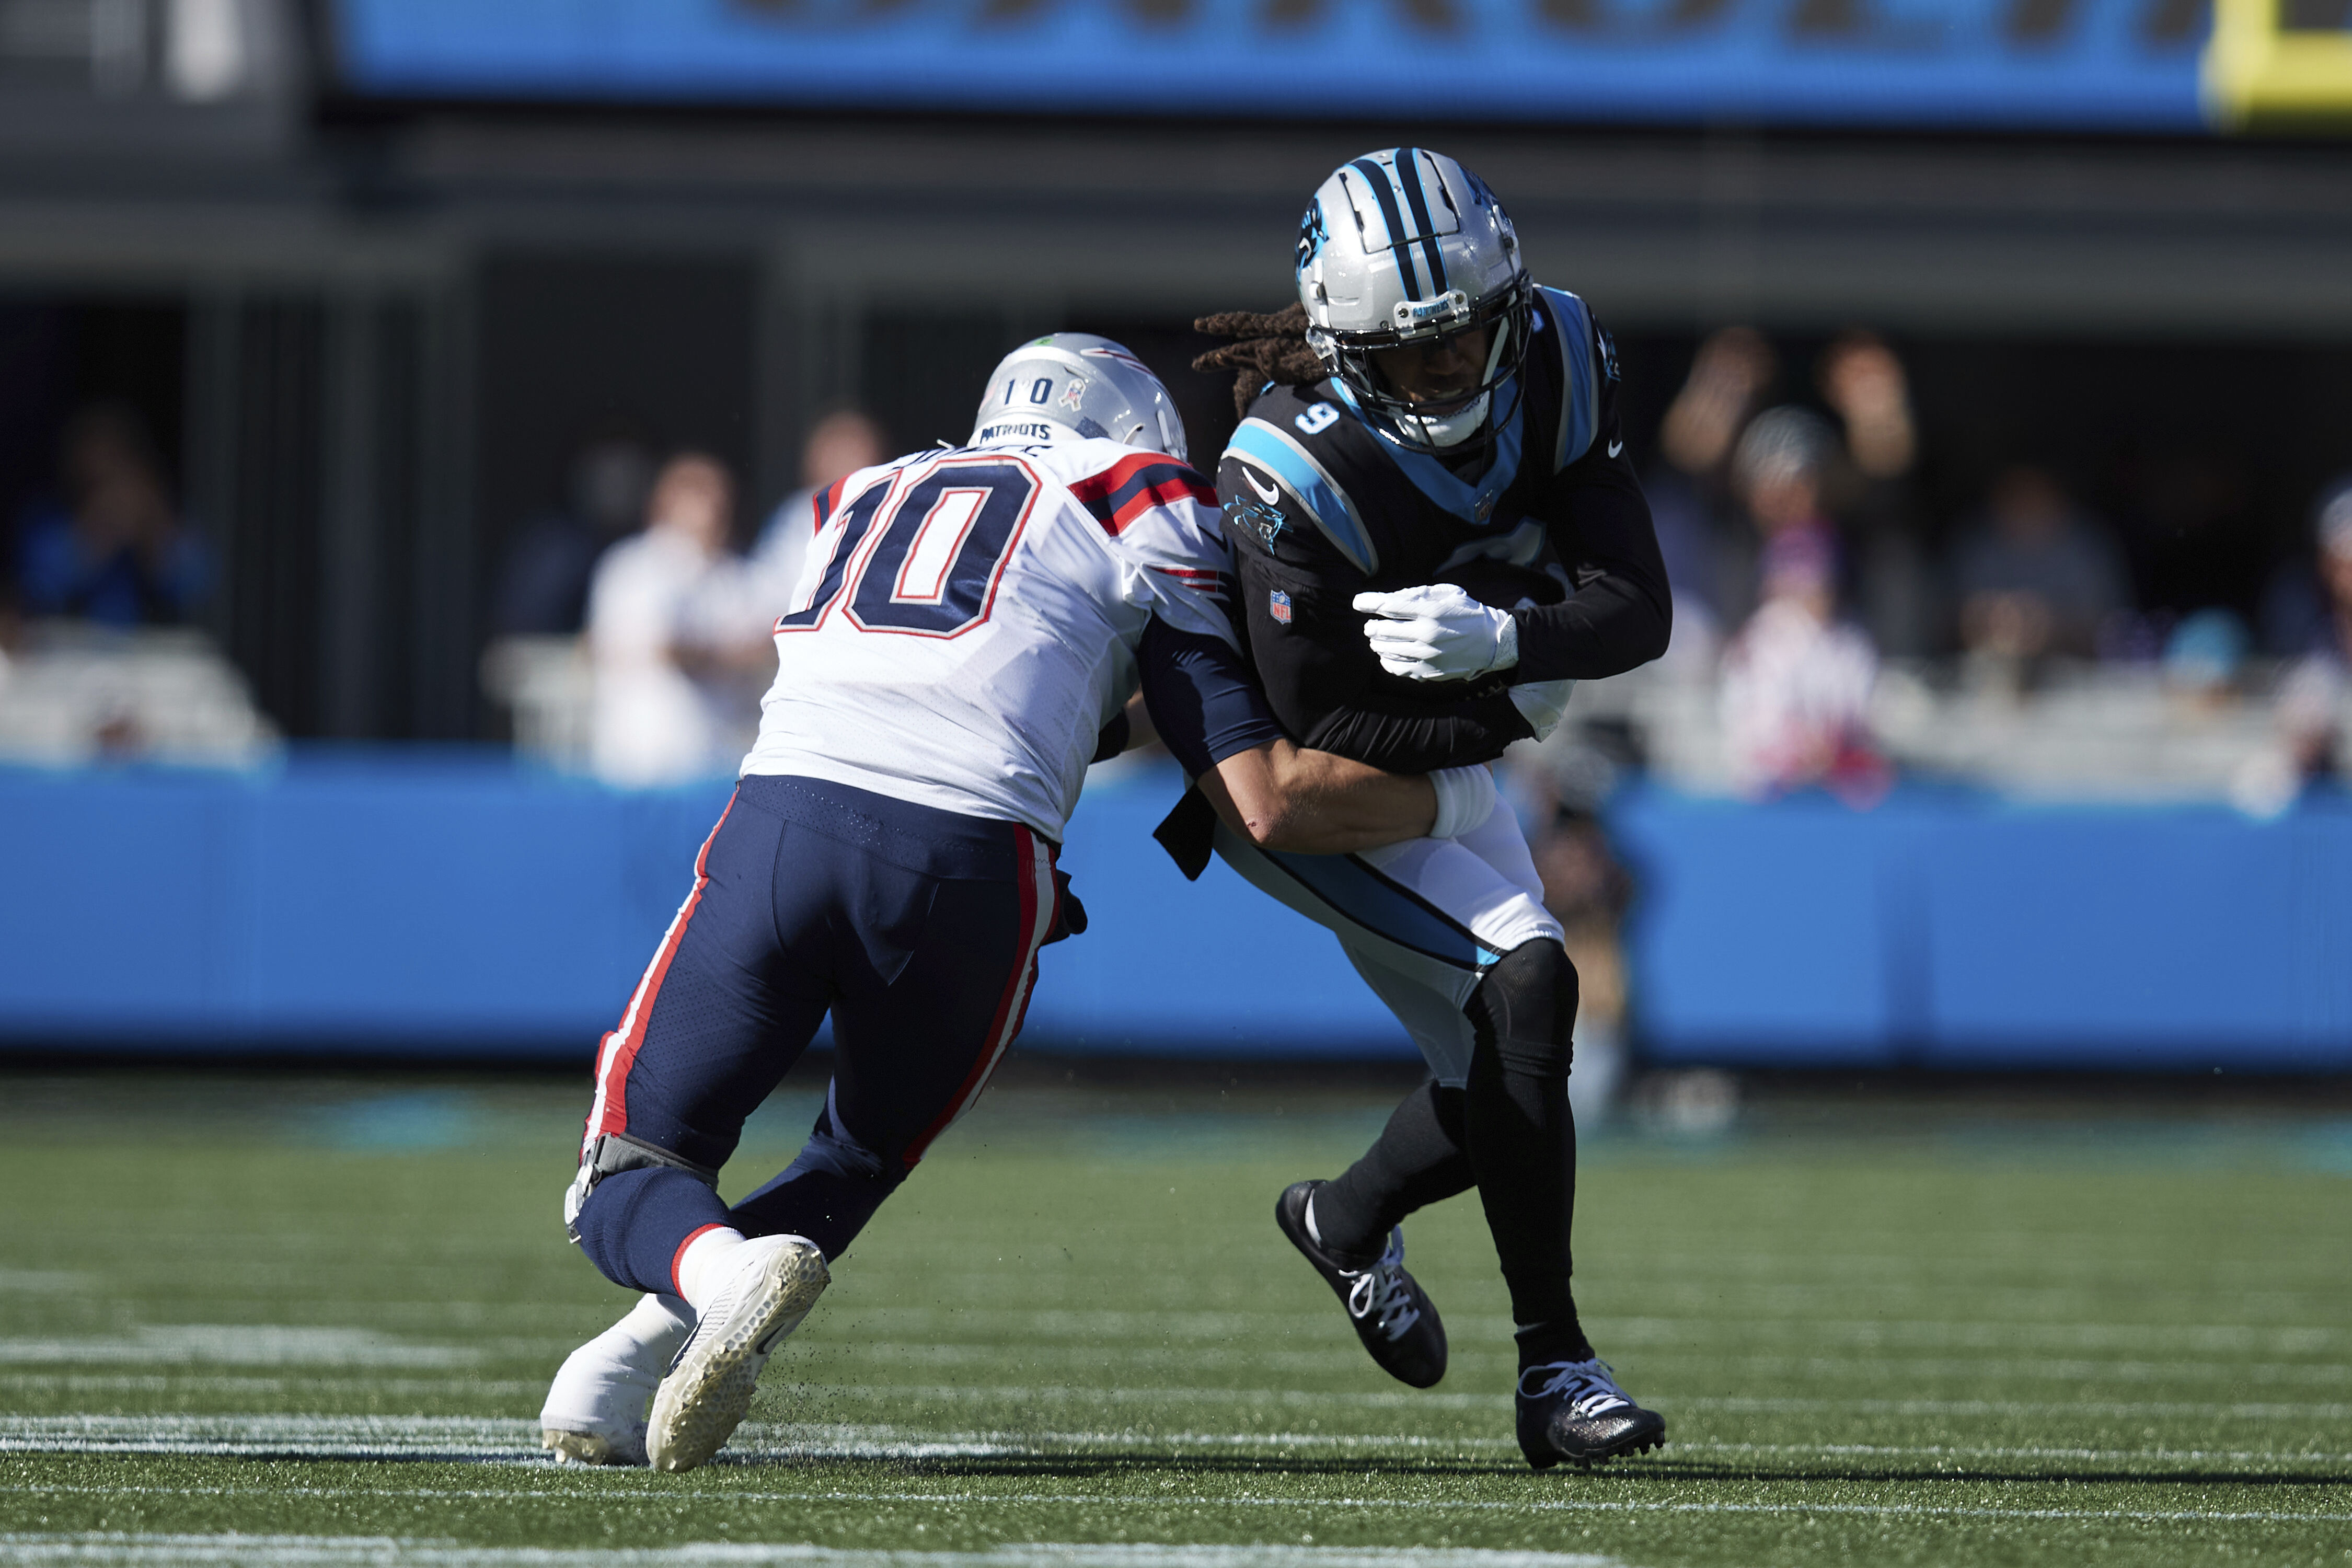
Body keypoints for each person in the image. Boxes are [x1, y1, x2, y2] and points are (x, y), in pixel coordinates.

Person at [539, 333, 1477, 1473]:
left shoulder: (861, 493)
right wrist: (1456, 791)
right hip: (980, 875)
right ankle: (632, 1356)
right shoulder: (1142, 495)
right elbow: (1240, 775)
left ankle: (696, 1289)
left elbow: (949, 663)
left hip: (786, 824)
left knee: (631, 1173)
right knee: (858, 1156)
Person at [1189, 148, 1671, 1470]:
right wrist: (1502, 714)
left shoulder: (1559, 351)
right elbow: (1307, 734)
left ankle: (1345, 1220)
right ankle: (1553, 1365)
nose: (1453, 368)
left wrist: (1506, 638)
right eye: (1416, 354)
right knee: (1525, 991)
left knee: (1512, 1041)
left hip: (1451, 733)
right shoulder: (1283, 469)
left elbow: (1633, 607)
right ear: (1344, 347)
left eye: (1469, 333)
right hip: (1292, 790)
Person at [583, 454, 762, 787]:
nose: (713, 510)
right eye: (699, 497)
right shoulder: (631, 567)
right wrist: (720, 655)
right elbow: (664, 648)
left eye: (718, 498)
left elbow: (768, 649)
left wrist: (720, 655)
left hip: (716, 765)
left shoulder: (738, 576)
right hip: (635, 765)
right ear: (667, 502)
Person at [14, 404, 207, 628]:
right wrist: (98, 531)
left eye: (114, 456)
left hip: (152, 651)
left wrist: (156, 530)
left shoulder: (157, 514)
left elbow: (196, 586)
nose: (103, 467)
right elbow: (38, 590)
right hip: (66, 653)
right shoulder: (47, 519)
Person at [750, 409, 887, 617]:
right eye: (838, 452)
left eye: (855, 451)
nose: (848, 462)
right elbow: (771, 595)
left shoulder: (890, 509)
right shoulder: (798, 514)